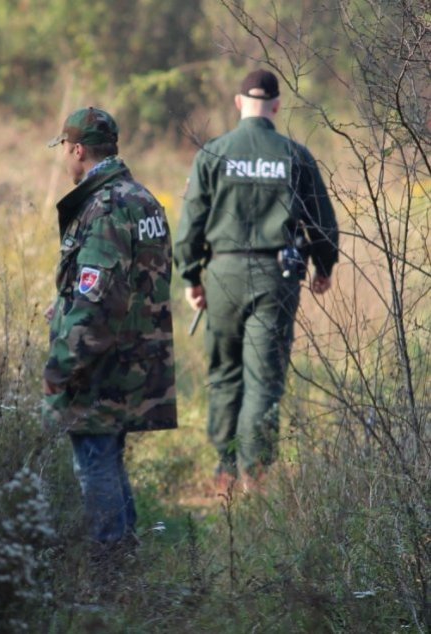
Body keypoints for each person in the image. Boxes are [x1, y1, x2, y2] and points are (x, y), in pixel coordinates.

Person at [174, 70, 339, 492]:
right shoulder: (295, 155)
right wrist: (324, 266)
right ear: (278, 106)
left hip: (223, 275)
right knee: (264, 377)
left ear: (237, 103)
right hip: (275, 277)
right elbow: (321, 221)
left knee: (226, 372)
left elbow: (191, 222)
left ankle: (225, 468)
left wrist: (192, 277)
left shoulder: (213, 154)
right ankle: (256, 474)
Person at [43, 107, 177, 552]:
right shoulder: (142, 199)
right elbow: (135, 281)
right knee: (109, 458)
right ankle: (125, 556)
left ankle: (110, 566)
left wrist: (62, 365)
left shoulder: (104, 207)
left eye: (65, 148)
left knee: (94, 464)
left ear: (77, 150)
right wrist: (64, 302)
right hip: (135, 359)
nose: (65, 158)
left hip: (103, 366)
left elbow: (97, 300)